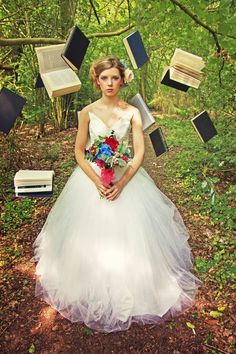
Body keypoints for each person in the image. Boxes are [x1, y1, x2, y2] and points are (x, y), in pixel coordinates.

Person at [33, 56, 201, 333]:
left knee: (132, 234)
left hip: (125, 180)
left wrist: (121, 183)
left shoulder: (133, 112)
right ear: (96, 81)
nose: (109, 83)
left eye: (114, 77)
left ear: (122, 80)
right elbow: (78, 151)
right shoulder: (86, 112)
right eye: (104, 78)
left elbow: (140, 152)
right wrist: (96, 181)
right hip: (91, 182)